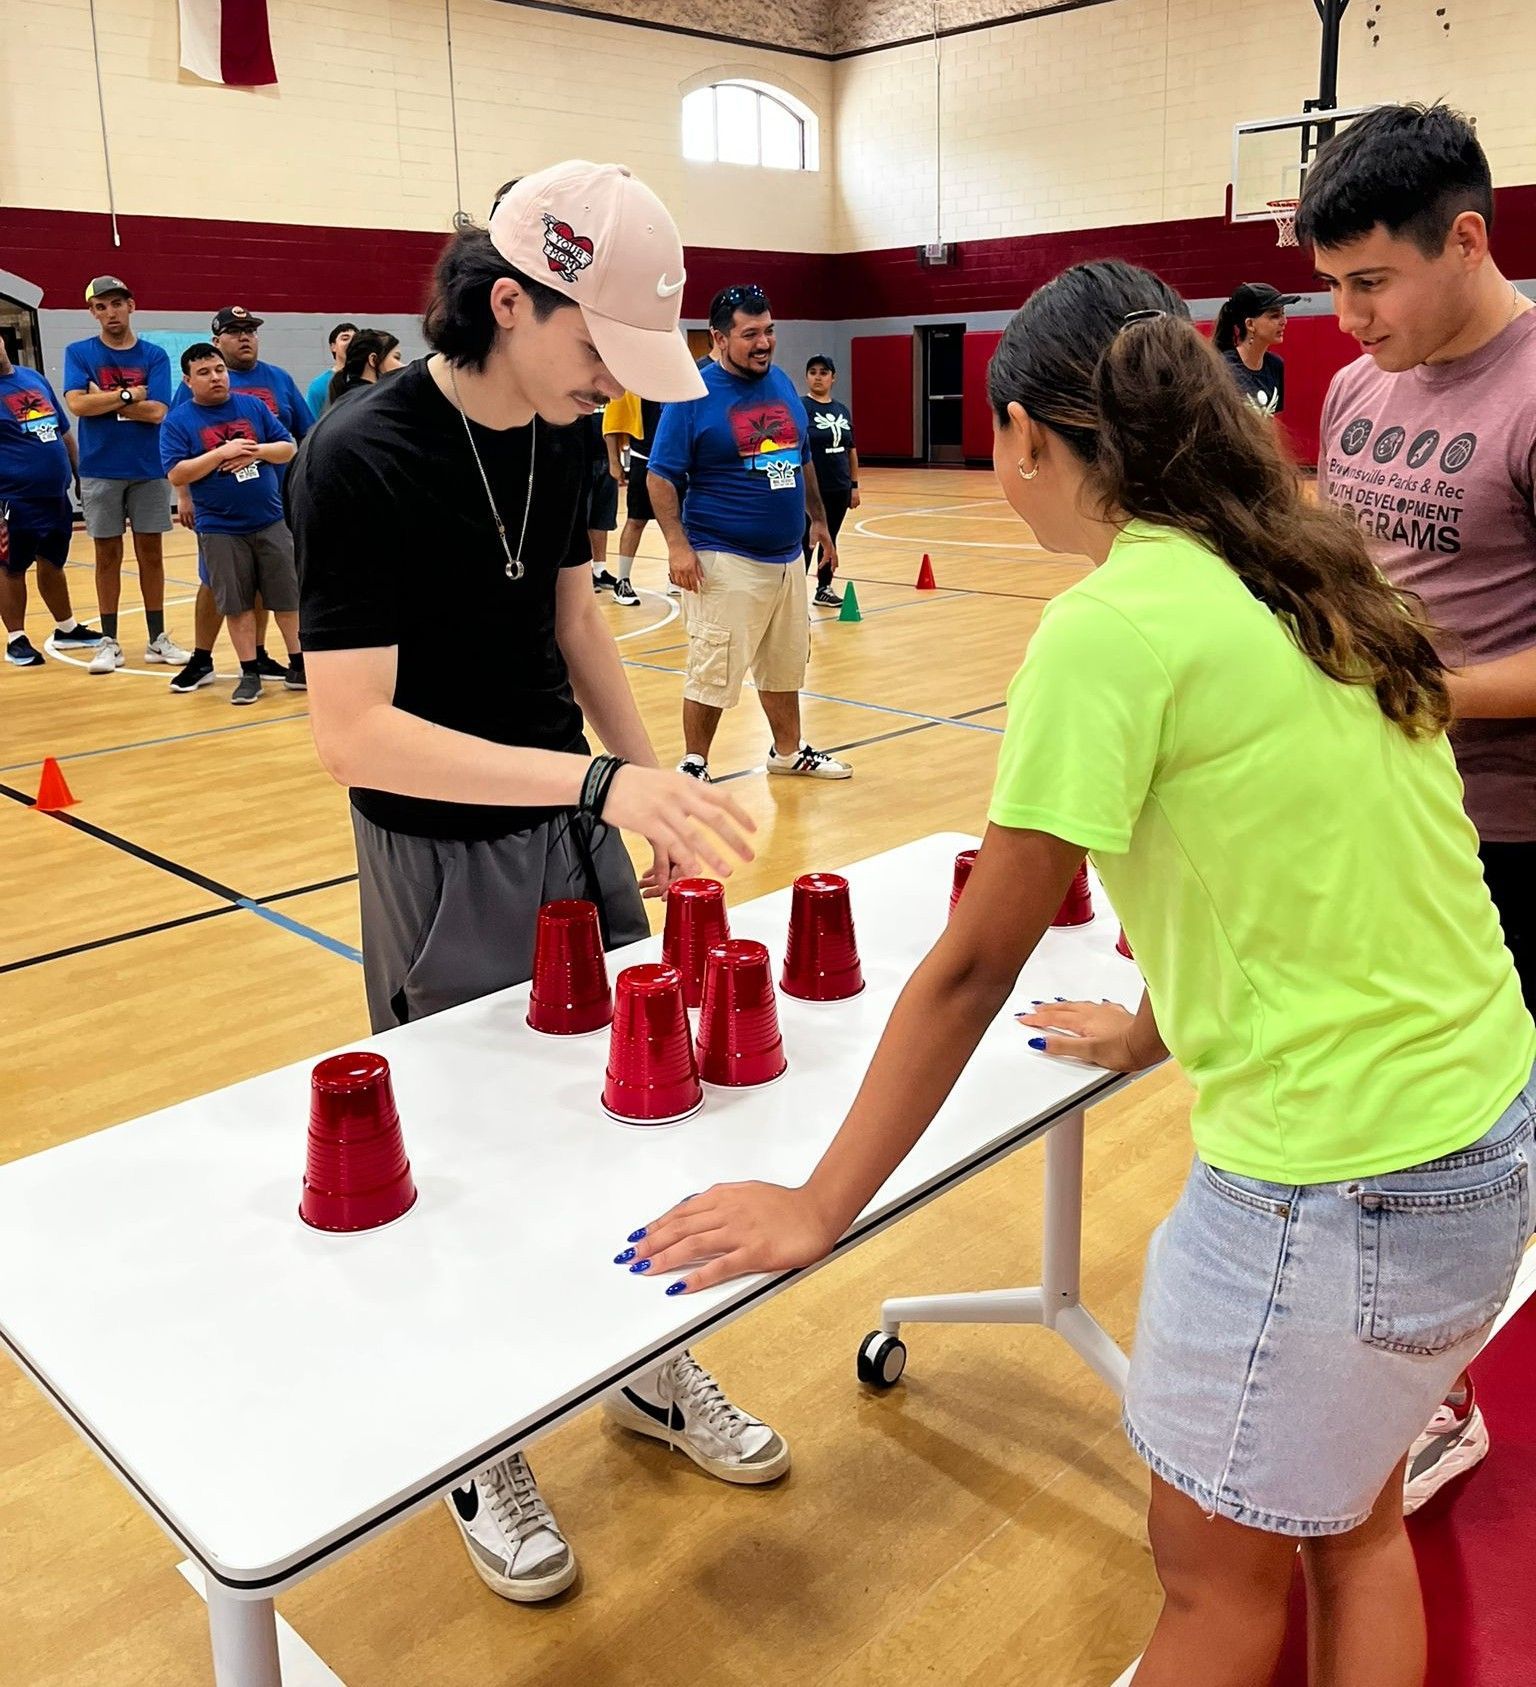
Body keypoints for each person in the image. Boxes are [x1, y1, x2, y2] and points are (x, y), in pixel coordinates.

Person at [625, 260, 1536, 1687]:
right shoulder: (1300, 562)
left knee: (1213, 1591)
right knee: (1352, 1526)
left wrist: (820, 1202)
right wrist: (1159, 1024)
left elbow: (981, 952)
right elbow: (1301, 870)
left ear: (1033, 437)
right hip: (1483, 1132)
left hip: (1338, 1180)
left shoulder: (1112, 628)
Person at [288, 160, 787, 1607]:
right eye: (596, 348)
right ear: (509, 301)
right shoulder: (362, 453)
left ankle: (641, 1364)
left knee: (633, 1113)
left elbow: (572, 613)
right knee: (478, 1153)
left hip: (574, 820)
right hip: (442, 850)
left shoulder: (569, 436)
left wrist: (656, 792)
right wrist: (599, 783)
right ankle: (483, 1433)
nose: (613, 385)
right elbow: (351, 731)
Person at [1301, 100, 1536, 1517]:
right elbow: (1341, 568)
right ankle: (1421, 1381)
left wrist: (1422, 697)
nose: (1344, 319)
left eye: (1369, 281)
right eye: (1331, 285)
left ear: (1466, 239)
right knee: (1399, 1128)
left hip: (1507, 833)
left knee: (1473, 1131)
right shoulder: (1356, 394)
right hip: (1382, 816)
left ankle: (1445, 1398)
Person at [647, 286, 852, 783]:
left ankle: (787, 751)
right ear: (719, 337)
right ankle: (694, 762)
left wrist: (820, 522)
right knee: (713, 668)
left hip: (786, 556)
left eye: (769, 331)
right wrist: (677, 545)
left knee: (784, 664)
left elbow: (800, 457)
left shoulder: (780, 383)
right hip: (723, 556)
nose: (764, 343)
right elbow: (660, 474)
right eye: (750, 334)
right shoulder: (692, 394)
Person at [169, 306, 315, 695]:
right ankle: (209, 660)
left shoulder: (274, 384)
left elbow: (296, 438)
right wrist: (185, 495)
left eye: (250, 330)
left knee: (279, 591)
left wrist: (260, 454)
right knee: (222, 589)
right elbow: (176, 462)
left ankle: (278, 659)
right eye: (235, 331)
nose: (245, 337)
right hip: (218, 517)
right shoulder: (186, 404)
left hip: (272, 508)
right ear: (218, 341)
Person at [62, 276, 189, 673]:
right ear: (92, 312)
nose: (110, 312)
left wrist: (104, 399)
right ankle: (109, 641)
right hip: (100, 469)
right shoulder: (79, 352)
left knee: (151, 555)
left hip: (149, 468)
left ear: (131, 305)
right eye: (101, 306)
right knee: (107, 556)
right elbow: (76, 406)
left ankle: (157, 639)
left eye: (116, 303)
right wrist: (131, 395)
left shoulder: (152, 355)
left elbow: (160, 412)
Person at [0, 342, 103, 664]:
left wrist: (79, 473)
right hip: (13, 498)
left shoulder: (33, 378)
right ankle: (16, 638)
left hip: (55, 495)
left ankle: (67, 628)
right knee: (11, 567)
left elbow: (63, 432)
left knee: (52, 561)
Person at [801, 353, 860, 606]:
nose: (818, 377)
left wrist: (853, 486)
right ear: (807, 376)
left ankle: (824, 587)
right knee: (806, 540)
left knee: (830, 538)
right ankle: (793, 594)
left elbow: (851, 449)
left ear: (833, 378)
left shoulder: (841, 410)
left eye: (823, 372)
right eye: (813, 371)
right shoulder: (801, 407)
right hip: (810, 489)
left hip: (838, 487)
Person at [601, 387, 661, 605]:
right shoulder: (635, 383)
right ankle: (623, 581)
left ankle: (677, 578)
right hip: (643, 457)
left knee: (679, 521)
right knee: (636, 520)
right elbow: (612, 422)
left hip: (672, 460)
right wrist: (614, 462)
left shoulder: (673, 379)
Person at [1212, 282, 1299, 416]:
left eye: (1283, 313)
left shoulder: (1275, 365)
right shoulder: (1224, 368)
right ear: (1250, 324)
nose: (1284, 321)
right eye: (1275, 316)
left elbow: (1271, 422)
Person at [326, 329, 403, 406]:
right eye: (396, 357)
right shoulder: (378, 405)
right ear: (373, 360)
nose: (402, 365)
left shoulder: (345, 401)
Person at [306, 322, 358, 419]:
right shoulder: (319, 385)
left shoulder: (370, 381)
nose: (351, 342)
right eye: (345, 338)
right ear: (333, 347)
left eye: (355, 339)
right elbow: (309, 426)